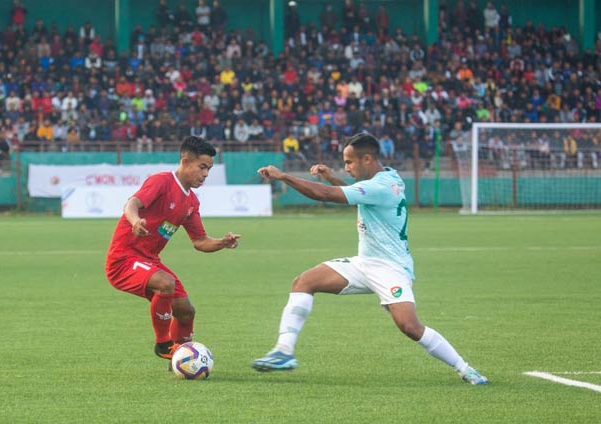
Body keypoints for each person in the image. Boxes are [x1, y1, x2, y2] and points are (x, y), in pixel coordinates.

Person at [252, 133, 488, 385]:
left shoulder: (380, 186)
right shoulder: (387, 177)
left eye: (349, 162)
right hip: (364, 263)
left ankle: (465, 368)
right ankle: (283, 351)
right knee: (304, 281)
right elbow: (355, 195)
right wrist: (332, 177)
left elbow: (327, 195)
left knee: (409, 326)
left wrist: (284, 177)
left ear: (367, 158)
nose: (346, 167)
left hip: (391, 268)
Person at [105, 136, 241, 362]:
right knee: (165, 283)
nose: (206, 174)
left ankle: (184, 360)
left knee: (186, 311)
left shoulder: (191, 202)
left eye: (209, 169)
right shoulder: (162, 181)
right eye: (202, 167)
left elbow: (200, 242)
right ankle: (163, 344)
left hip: (149, 261)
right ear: (186, 162)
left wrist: (222, 243)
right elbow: (132, 203)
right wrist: (135, 220)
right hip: (124, 259)